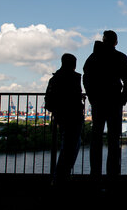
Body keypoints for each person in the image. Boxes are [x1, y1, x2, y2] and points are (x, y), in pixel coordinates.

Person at [83, 30, 127, 176]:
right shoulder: (120, 57)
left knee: (96, 138)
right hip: (114, 102)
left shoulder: (93, 57)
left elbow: (86, 78)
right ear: (116, 42)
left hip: (98, 102)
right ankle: (113, 175)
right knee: (114, 140)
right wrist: (122, 99)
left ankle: (95, 174)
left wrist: (92, 97)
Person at [46, 53, 85, 185]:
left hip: (61, 116)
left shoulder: (55, 79)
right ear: (74, 64)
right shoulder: (74, 78)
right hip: (74, 117)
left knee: (67, 146)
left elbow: (49, 102)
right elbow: (74, 98)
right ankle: (61, 177)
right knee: (71, 146)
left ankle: (60, 177)